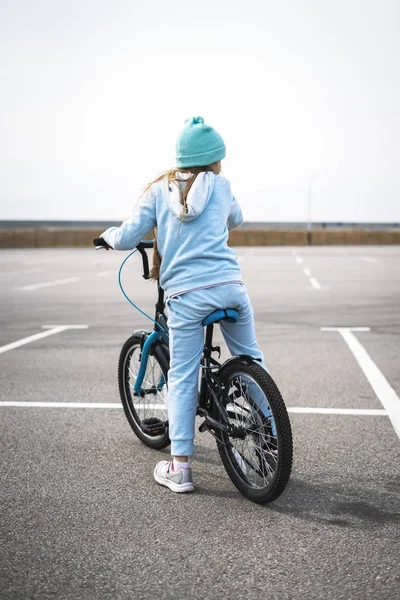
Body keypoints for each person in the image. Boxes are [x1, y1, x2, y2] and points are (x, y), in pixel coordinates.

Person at [100, 116, 266, 494]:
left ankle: (179, 468)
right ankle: (268, 428)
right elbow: (237, 218)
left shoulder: (160, 190)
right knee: (251, 356)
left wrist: (108, 239)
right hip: (231, 288)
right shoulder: (222, 187)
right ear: (214, 159)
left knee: (183, 374)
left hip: (187, 297)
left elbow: (128, 235)